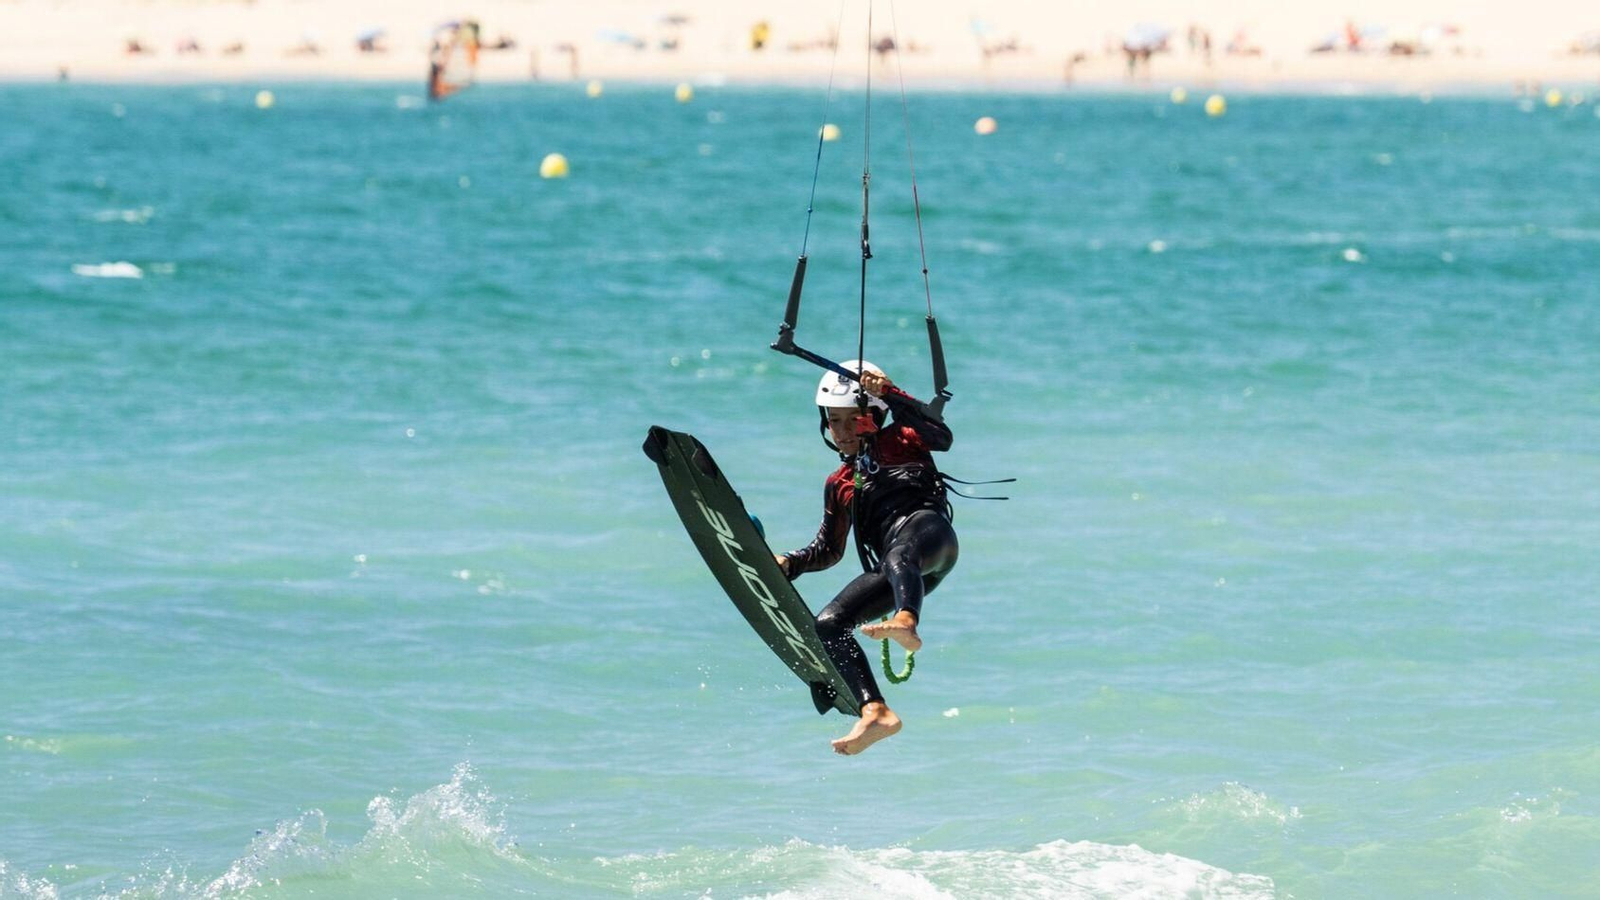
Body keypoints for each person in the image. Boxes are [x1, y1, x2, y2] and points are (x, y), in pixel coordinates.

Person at [775, 361, 958, 755]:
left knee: (899, 551)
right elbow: (828, 550)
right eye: (832, 421)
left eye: (849, 420)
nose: (839, 432)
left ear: (872, 417)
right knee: (829, 623)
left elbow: (941, 436)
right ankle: (875, 711)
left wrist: (892, 393)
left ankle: (907, 621)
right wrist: (790, 562)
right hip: (902, 573)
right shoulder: (839, 482)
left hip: (932, 540)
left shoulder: (903, 438)